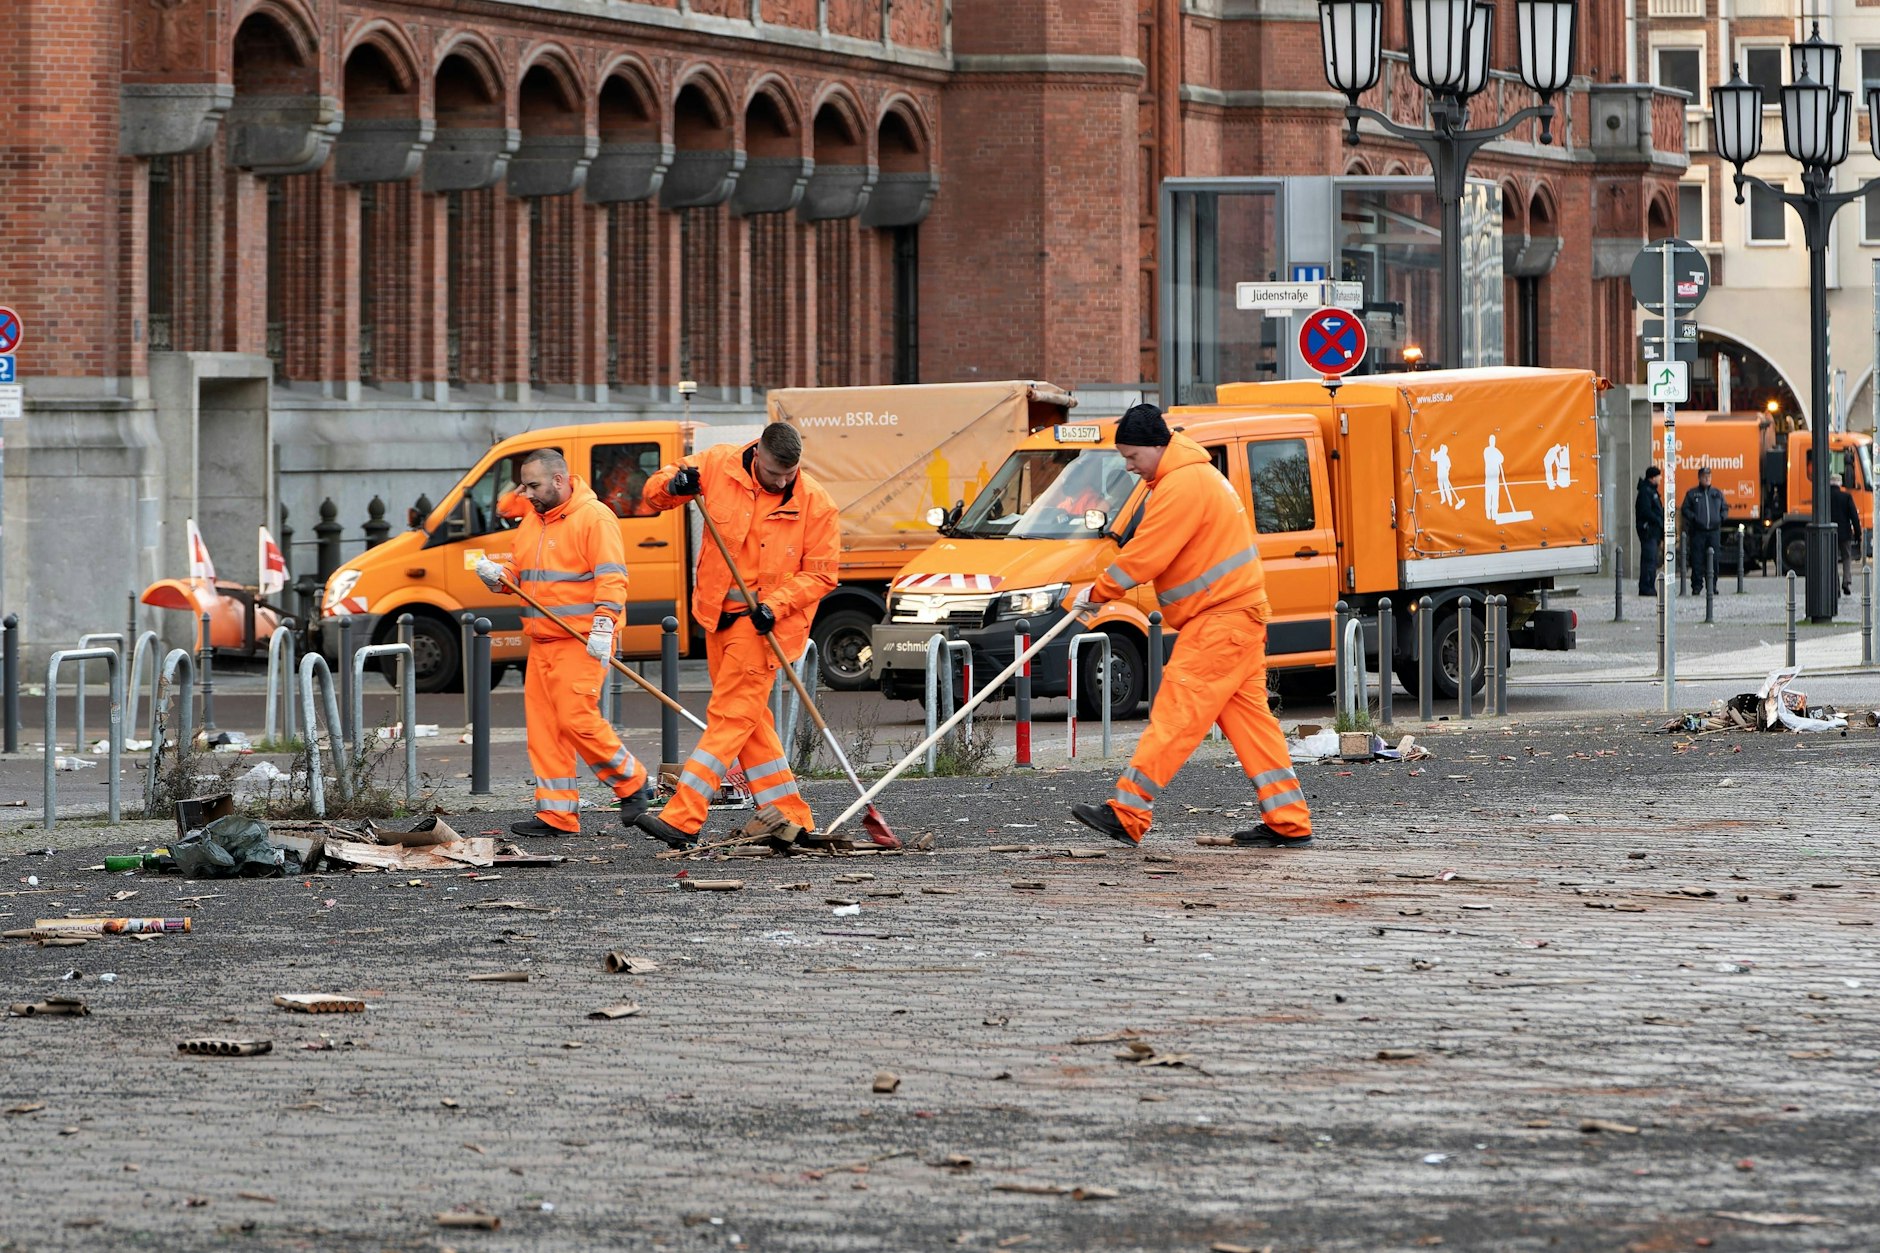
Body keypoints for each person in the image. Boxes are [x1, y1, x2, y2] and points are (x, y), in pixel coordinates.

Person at [1068, 403, 1312, 850]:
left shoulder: (1182, 484)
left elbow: (1146, 554)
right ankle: (1288, 820)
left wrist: (1097, 593)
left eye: (1132, 457)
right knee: (1252, 725)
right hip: (1237, 617)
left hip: (1219, 621)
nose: (1129, 466)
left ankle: (1128, 811)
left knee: (1176, 715)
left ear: (1157, 448)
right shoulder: (1191, 475)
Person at [632, 424, 840, 849]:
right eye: (773, 472)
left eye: (789, 473)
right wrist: (674, 484)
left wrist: (775, 606)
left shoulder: (816, 503)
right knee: (750, 723)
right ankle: (791, 821)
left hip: (766, 628)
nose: (782, 481)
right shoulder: (716, 465)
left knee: (729, 718)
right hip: (717, 618)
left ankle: (684, 816)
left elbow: (821, 574)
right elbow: (653, 494)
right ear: (756, 453)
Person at [473, 449, 649, 838]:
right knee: (546, 731)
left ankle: (633, 782)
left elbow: (612, 578)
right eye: (522, 484)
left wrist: (604, 627)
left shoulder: (594, 518)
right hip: (544, 639)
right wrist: (499, 576)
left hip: (581, 639)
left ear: (558, 480)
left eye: (532, 485)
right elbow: (524, 574)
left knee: (576, 719)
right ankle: (557, 815)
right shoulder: (534, 520)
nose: (525, 493)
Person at [1680, 466, 1727, 594]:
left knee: (1714, 560)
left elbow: (1724, 508)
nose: (1707, 479)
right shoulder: (1692, 493)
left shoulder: (1717, 493)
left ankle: (1712, 586)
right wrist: (1694, 519)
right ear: (1699, 478)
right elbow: (1685, 509)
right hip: (1698, 532)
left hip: (1714, 531)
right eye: (1705, 476)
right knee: (1697, 560)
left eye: (1709, 476)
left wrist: (1721, 518)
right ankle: (1696, 586)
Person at [1830, 473, 1862, 594]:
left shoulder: (1825, 497)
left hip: (1829, 534)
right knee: (1846, 557)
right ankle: (1846, 581)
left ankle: (1835, 586)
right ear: (1840, 483)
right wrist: (1858, 534)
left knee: (1832, 560)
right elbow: (1854, 516)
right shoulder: (1846, 497)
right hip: (1844, 532)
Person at [1634, 465, 1664, 596]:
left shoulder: (1651, 491)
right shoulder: (1646, 492)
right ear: (1653, 477)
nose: (1661, 478)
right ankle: (1646, 587)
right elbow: (1646, 511)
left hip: (1654, 531)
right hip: (1649, 531)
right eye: (1659, 476)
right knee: (1649, 560)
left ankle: (1649, 586)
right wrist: (1658, 520)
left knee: (1652, 559)